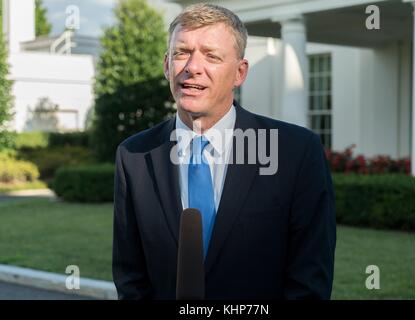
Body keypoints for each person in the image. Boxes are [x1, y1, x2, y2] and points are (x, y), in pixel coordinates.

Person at [113, 3, 336, 300]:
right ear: (167, 65)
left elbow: (310, 278)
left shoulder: (295, 152)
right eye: (182, 53)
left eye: (211, 55)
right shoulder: (134, 156)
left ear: (239, 72)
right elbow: (131, 277)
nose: (192, 67)